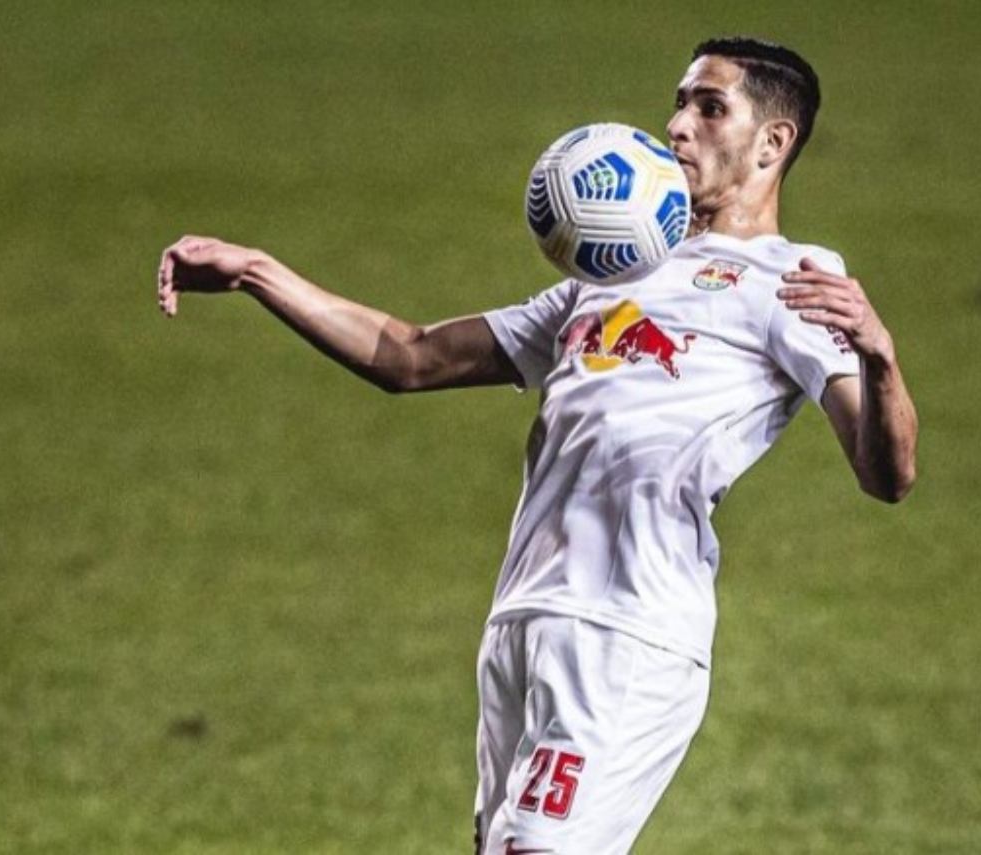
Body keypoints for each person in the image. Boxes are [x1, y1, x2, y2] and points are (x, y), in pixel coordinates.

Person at [156, 35, 917, 854]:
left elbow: (886, 472)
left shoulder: (792, 279)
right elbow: (411, 357)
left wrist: (879, 356)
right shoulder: (612, 273)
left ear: (774, 142)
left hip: (628, 629)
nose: (676, 125)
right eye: (680, 101)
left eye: (709, 106)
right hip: (522, 620)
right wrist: (257, 272)